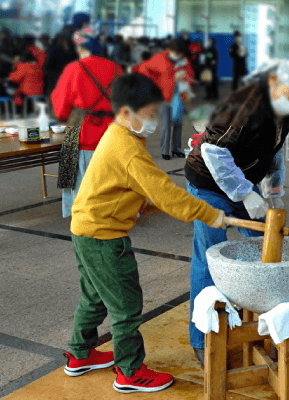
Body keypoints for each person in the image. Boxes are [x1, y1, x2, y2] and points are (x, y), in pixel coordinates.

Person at [64, 73, 230, 393]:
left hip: (84, 229)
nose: (154, 120)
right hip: (104, 237)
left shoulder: (117, 135)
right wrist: (210, 214)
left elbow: (118, 184)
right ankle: (129, 371)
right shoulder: (128, 148)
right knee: (126, 305)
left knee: (95, 296)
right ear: (127, 112)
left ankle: (79, 354)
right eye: (151, 114)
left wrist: (143, 205)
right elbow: (166, 192)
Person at [184, 48, 289, 367]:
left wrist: (272, 190)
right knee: (209, 256)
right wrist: (245, 193)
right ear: (273, 81)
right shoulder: (246, 104)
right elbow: (214, 152)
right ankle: (201, 339)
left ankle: (265, 322)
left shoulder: (282, 107)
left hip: (242, 183)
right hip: (208, 183)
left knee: (264, 248)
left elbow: (271, 152)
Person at [51, 28, 123, 218]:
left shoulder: (74, 68)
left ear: (80, 45)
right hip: (113, 130)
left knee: (73, 173)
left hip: (81, 129)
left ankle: (81, 213)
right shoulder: (116, 68)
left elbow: (60, 107)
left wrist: (63, 115)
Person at [132, 38, 194, 160]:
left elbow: (190, 74)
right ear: (170, 49)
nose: (178, 55)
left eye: (180, 53)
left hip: (180, 96)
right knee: (166, 125)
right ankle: (165, 151)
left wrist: (185, 78)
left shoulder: (184, 61)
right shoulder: (159, 58)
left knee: (178, 123)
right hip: (165, 97)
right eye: (177, 53)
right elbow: (145, 68)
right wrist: (154, 85)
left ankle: (176, 149)